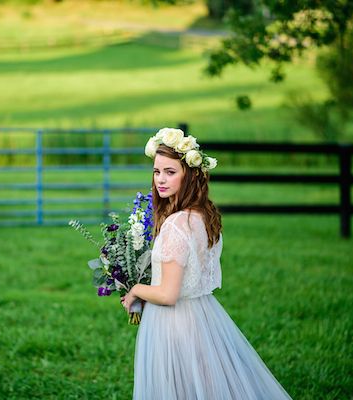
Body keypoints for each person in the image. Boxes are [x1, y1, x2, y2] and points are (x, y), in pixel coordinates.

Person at [121, 128, 292, 400]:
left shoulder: (176, 225)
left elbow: (167, 294)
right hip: (202, 316)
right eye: (156, 172)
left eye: (170, 172)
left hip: (174, 325)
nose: (160, 180)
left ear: (188, 174)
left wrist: (136, 290)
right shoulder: (202, 216)